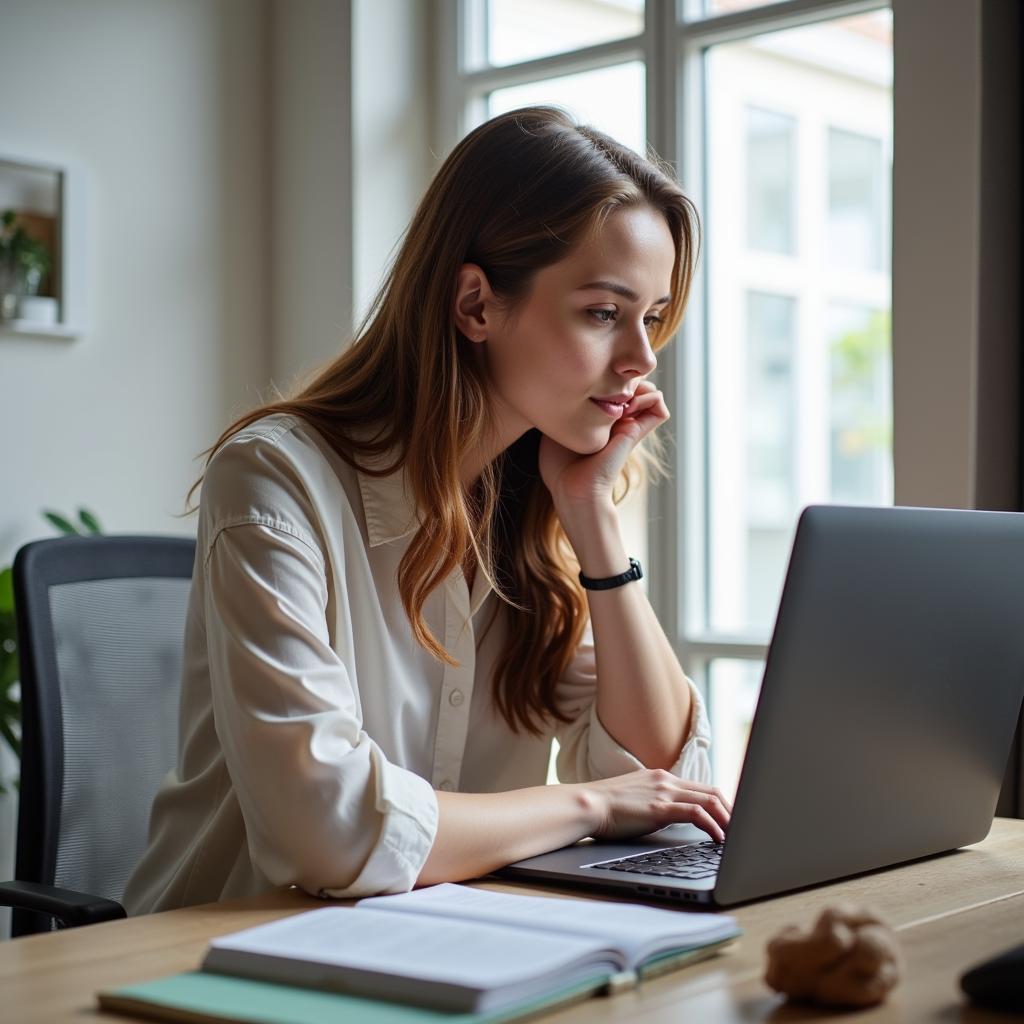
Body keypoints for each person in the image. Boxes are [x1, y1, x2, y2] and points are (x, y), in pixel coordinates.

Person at [123, 106, 731, 916]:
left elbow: (669, 786)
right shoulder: (277, 479)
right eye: (602, 313)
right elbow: (331, 828)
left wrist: (593, 519)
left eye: (651, 318)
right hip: (222, 947)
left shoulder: (540, 503)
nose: (642, 359)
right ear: (476, 305)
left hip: (442, 941)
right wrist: (589, 807)